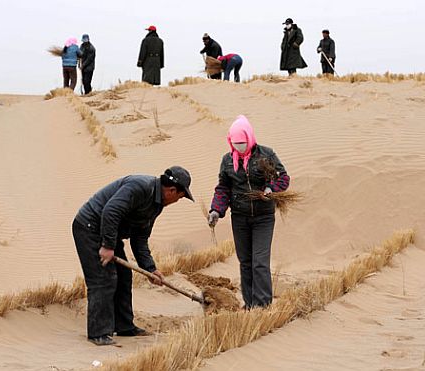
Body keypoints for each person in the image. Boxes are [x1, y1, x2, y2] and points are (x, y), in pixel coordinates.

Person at [73, 166, 194, 345]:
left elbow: (140, 240)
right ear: (172, 190)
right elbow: (110, 211)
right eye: (180, 196)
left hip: (108, 232)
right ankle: (99, 333)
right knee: (103, 279)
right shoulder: (140, 187)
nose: (178, 200)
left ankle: (124, 326)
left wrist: (151, 269)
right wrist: (107, 246)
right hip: (89, 227)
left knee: (123, 276)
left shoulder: (156, 205)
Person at [208, 116, 290, 309]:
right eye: (236, 144)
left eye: (243, 143)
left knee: (259, 263)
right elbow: (223, 188)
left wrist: (271, 189)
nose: (240, 147)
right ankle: (250, 304)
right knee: (245, 262)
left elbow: (283, 178)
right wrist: (216, 210)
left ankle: (263, 306)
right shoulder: (227, 160)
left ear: (250, 138)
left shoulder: (266, 155)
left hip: (263, 217)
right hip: (240, 218)